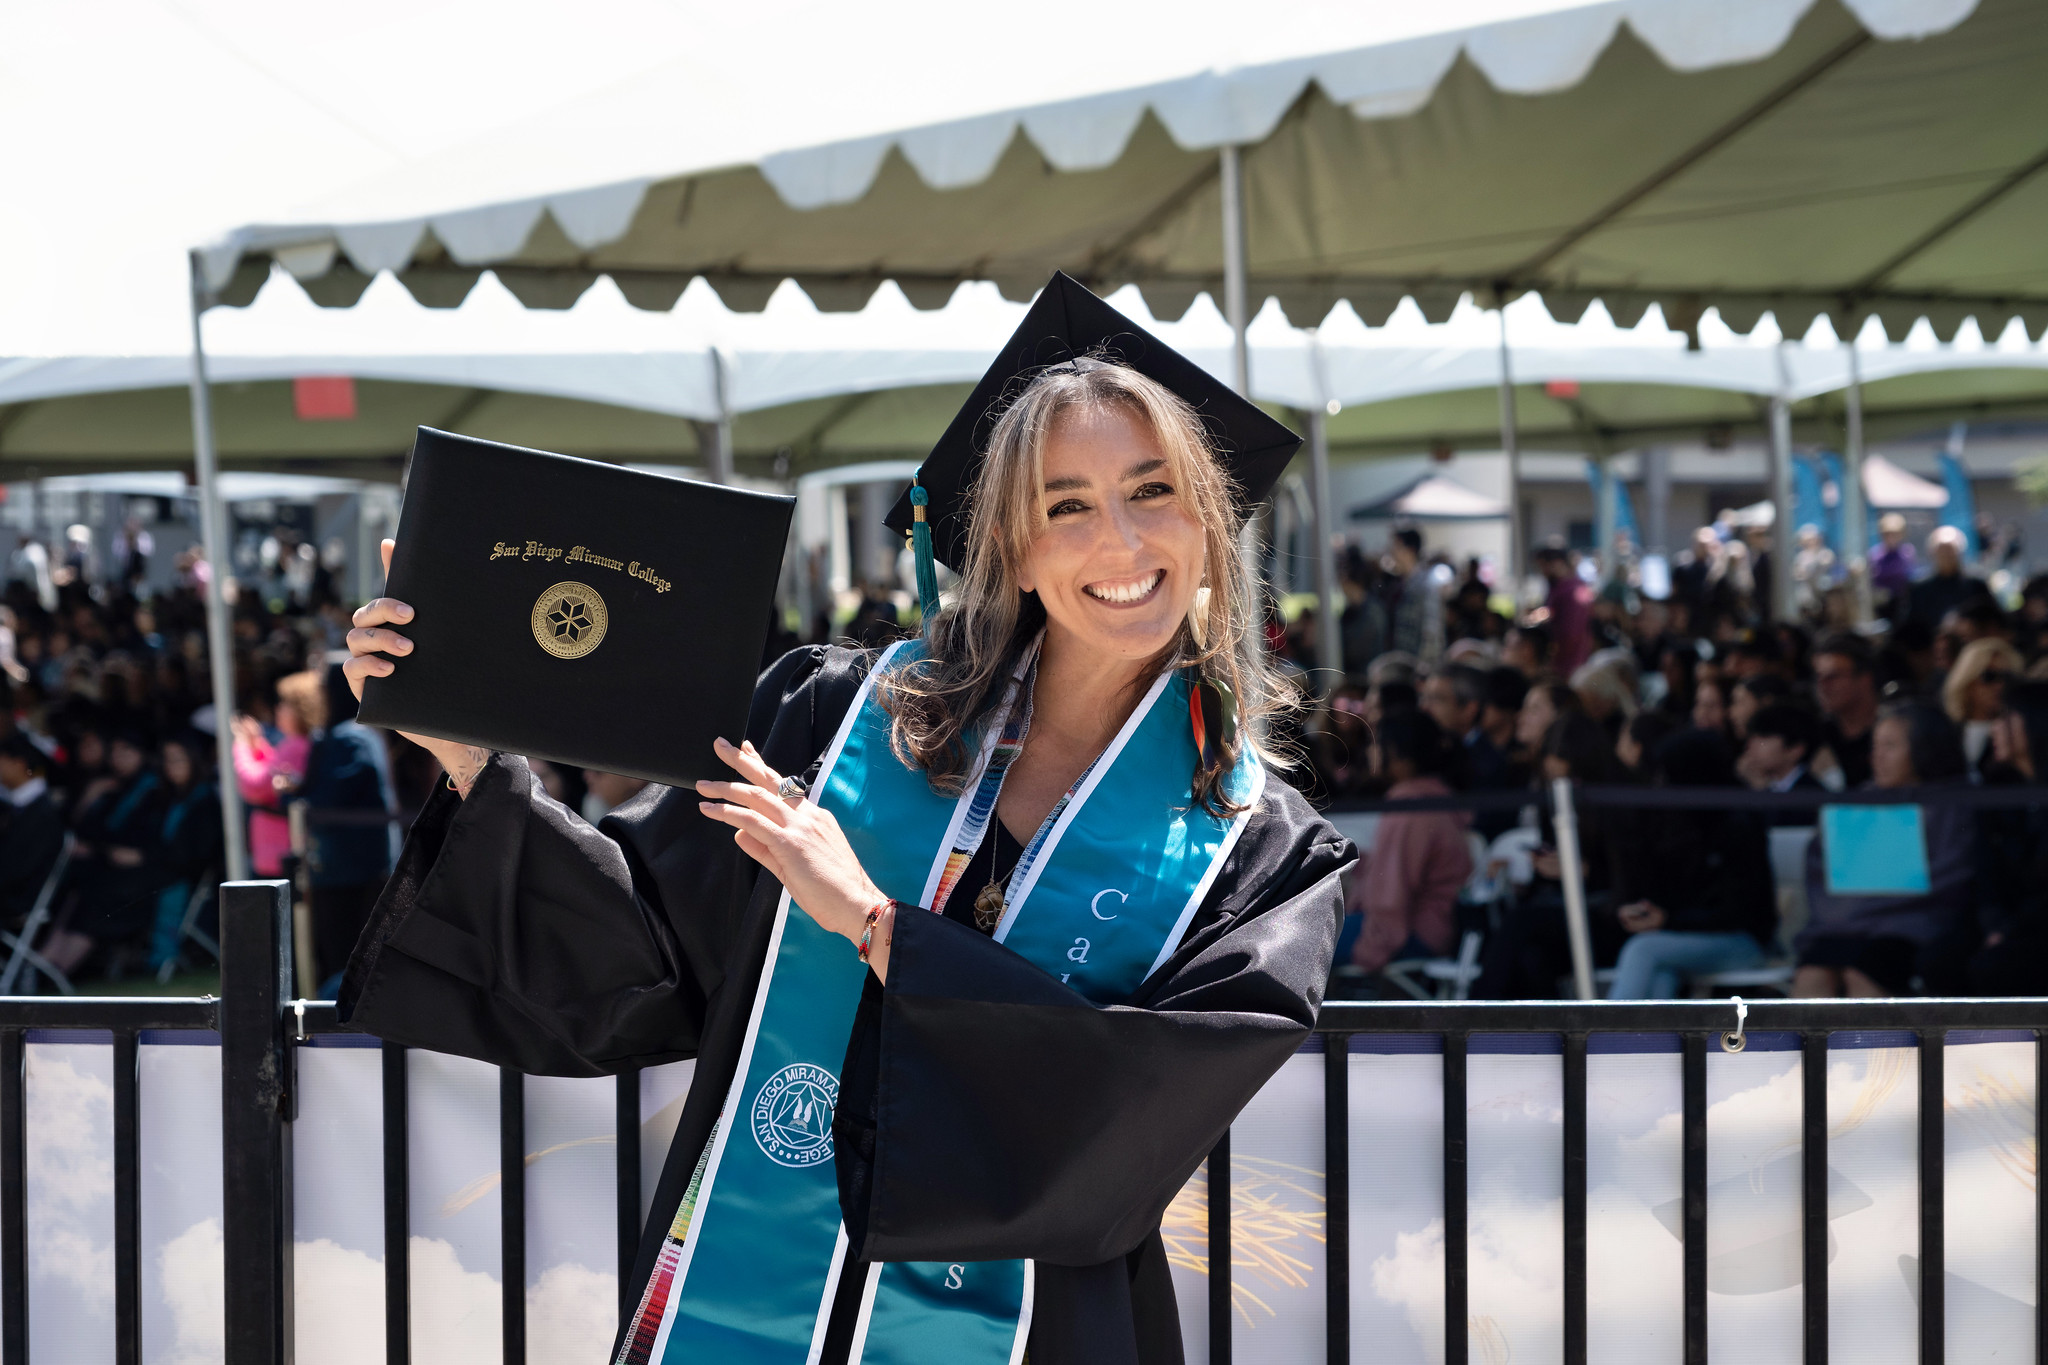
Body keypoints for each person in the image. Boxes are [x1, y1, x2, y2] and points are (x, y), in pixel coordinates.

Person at [337, 278, 1350, 1365]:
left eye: (1152, 490)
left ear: (1207, 516)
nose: (1119, 539)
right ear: (1008, 541)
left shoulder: (1260, 852)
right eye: (1065, 504)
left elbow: (1133, 1112)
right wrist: (470, 758)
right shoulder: (832, 720)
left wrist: (875, 924)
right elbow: (643, 951)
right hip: (744, 1294)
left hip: (1031, 1333)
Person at [1795, 704, 1973, 997]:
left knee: (1863, 972)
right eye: (1875, 745)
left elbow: (1949, 876)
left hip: (1909, 929)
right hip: (1844, 926)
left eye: (1890, 746)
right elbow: (1823, 872)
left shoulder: (1952, 805)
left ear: (1923, 748)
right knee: (1812, 974)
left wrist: (1869, 904)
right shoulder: (1855, 805)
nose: (1877, 756)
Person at [1607, 729, 1776, 998]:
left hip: (1743, 941)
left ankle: (1604, 1039)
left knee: (1642, 950)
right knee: (1661, 974)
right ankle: (1652, 1042)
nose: (1663, 785)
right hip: (1686, 937)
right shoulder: (1680, 827)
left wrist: (1669, 920)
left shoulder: (1739, 826)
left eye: (1669, 775)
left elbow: (1739, 912)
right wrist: (1650, 912)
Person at [291, 664, 397, 992]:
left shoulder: (350, 737)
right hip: (355, 866)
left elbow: (329, 797)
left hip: (351, 871)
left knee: (347, 959)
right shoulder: (358, 734)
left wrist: (295, 797)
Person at [1341, 709, 1472, 975]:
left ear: (1397, 752)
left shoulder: (1409, 807)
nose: (1370, 753)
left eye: (1376, 743)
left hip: (1410, 933)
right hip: (1432, 929)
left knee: (1298, 945)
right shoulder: (1434, 796)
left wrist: (1371, 949)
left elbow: (1392, 894)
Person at [44, 731, 166, 975]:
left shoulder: (154, 790)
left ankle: (53, 969)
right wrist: (90, 797)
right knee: (75, 886)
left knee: (93, 896)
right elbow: (80, 830)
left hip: (138, 876)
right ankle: (45, 962)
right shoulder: (109, 787)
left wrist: (101, 849)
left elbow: (144, 843)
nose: (118, 758)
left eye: (126, 751)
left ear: (141, 754)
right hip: (105, 868)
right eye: (115, 752)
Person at [231, 673, 319, 879]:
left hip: (279, 856)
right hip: (278, 853)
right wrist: (256, 745)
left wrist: (241, 744)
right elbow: (270, 770)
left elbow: (254, 785)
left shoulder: (296, 746)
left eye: (285, 704)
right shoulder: (299, 744)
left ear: (300, 709)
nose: (278, 709)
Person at [149, 733, 222, 973]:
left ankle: (162, 960)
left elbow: (198, 853)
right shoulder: (169, 797)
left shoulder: (204, 799)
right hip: (168, 869)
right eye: (168, 761)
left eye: (178, 760)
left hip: (186, 876)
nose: (172, 767)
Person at [0, 735, 64, 927]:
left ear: (19, 764)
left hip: (15, 899)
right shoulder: (15, 805)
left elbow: (18, 868)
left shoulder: (43, 814)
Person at [1941, 637, 2021, 776]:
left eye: (2007, 677)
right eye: (1989, 676)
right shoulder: (1945, 735)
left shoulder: (2022, 739)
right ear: (1967, 681)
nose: (1999, 686)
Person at [1812, 631, 1880, 789]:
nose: (1823, 686)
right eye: (1819, 677)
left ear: (1864, 679)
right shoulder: (1817, 736)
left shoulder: (1896, 732)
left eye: (1833, 677)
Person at [1737, 703, 1825, 824]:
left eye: (1764, 738)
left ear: (1795, 750)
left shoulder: (1813, 796)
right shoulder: (1750, 786)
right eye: (1752, 738)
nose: (1751, 746)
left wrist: (1761, 793)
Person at [1906, 526, 1991, 637]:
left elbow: (1991, 621)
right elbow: (1910, 627)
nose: (1946, 556)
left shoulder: (1977, 586)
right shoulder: (1919, 590)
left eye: (1950, 550)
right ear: (1932, 553)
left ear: (1960, 552)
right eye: (1941, 551)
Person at [1385, 527, 1443, 666]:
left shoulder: (1425, 585)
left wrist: (1423, 671)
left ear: (1410, 550)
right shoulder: (1403, 583)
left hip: (1416, 668)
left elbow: (1430, 633)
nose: (1392, 553)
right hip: (1404, 664)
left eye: (1396, 547)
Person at [1534, 545, 1593, 675]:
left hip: (1569, 663)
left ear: (1558, 563)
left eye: (1544, 566)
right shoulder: (1558, 588)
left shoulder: (1574, 590)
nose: (1543, 571)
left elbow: (1571, 633)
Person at [1869, 513, 1917, 618]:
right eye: (1887, 534)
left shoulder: (1907, 553)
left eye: (1895, 534)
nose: (1891, 537)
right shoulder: (1875, 555)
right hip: (1880, 605)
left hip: (1902, 604)